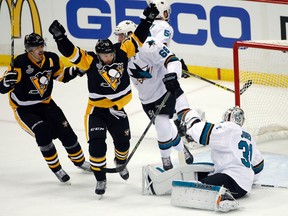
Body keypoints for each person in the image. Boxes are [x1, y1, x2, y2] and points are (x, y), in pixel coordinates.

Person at [48, 4, 160, 196]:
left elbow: (138, 37)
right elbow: (71, 52)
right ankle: (101, 179)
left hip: (117, 109)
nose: (107, 58)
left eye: (109, 55)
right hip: (97, 111)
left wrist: (148, 20)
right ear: (98, 54)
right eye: (104, 56)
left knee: (123, 144)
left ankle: (119, 162)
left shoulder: (123, 52)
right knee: (97, 146)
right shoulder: (90, 61)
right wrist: (60, 37)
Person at [0, 33, 91, 184]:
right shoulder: (19, 63)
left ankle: (80, 161)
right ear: (29, 50)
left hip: (46, 103)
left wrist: (77, 70)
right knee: (42, 132)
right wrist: (6, 83)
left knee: (66, 131)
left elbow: (61, 75)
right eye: (37, 47)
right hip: (25, 109)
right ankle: (56, 168)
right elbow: (2, 86)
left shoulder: (51, 59)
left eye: (42, 46)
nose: (40, 49)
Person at [142, 106, 264, 212]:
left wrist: (191, 116)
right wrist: (248, 180)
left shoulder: (227, 128)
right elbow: (258, 166)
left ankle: (224, 198)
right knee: (200, 174)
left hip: (230, 180)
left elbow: (201, 132)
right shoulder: (249, 137)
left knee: (190, 189)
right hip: (241, 185)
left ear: (227, 117)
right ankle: (223, 192)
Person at [114, 20, 194, 171]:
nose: (118, 39)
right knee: (164, 127)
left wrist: (172, 74)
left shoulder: (149, 45)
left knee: (162, 123)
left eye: (121, 36)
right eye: (117, 36)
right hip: (146, 98)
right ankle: (182, 149)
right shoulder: (120, 52)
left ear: (131, 35)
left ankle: (166, 160)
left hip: (163, 91)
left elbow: (171, 60)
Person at [145, 0, 193, 139]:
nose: (168, 15)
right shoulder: (164, 26)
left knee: (170, 99)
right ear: (163, 12)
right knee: (176, 94)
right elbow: (159, 48)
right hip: (159, 69)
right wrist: (173, 64)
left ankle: (177, 128)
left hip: (145, 72)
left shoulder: (144, 24)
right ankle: (185, 128)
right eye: (166, 12)